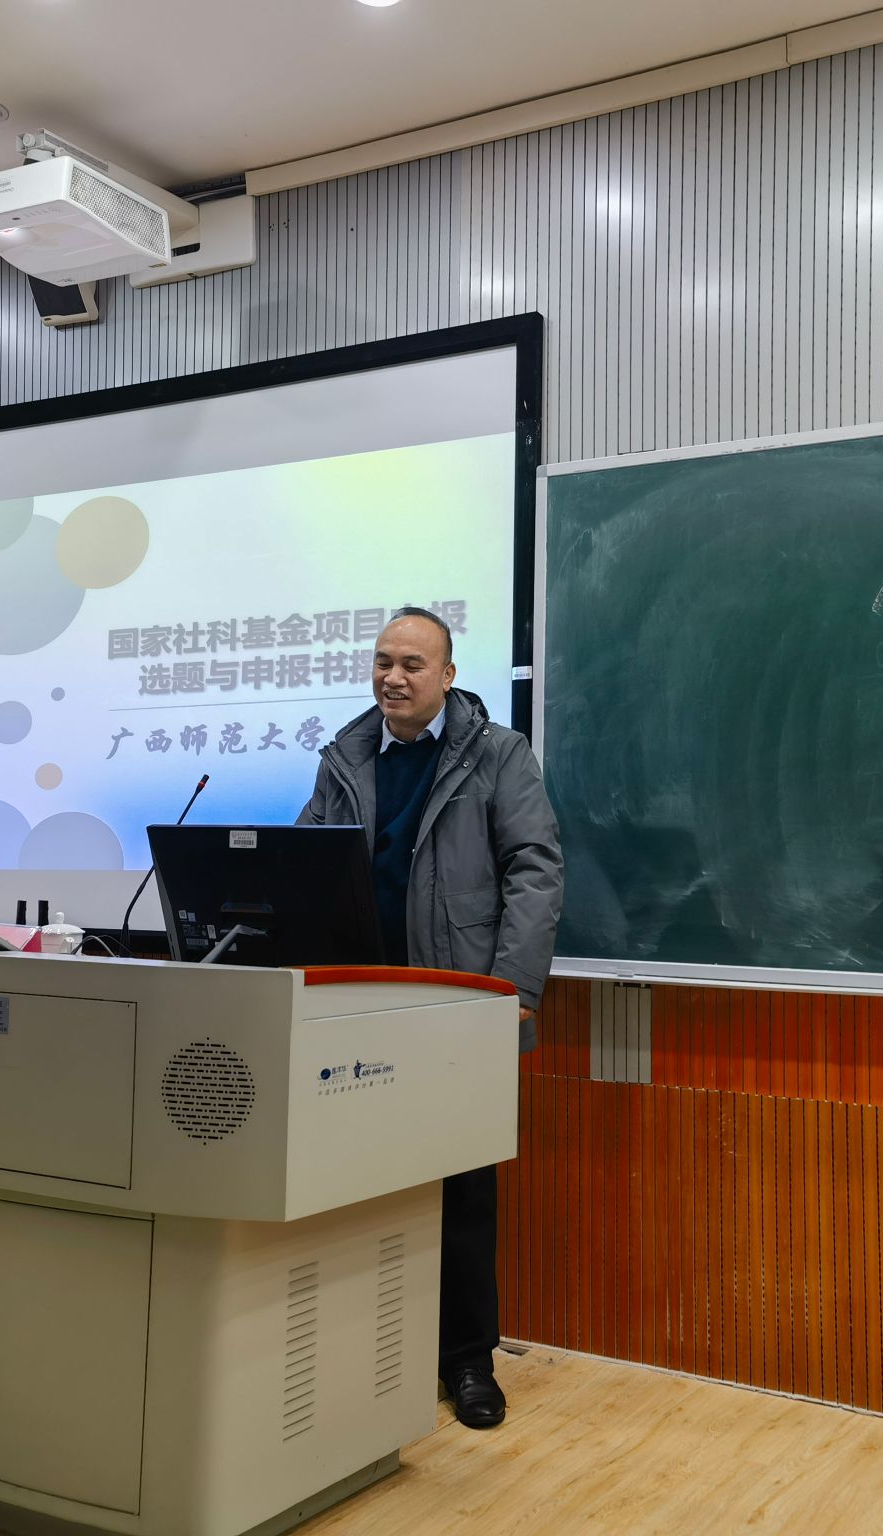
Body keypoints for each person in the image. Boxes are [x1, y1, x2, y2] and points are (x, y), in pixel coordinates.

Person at [297, 606, 562, 1429]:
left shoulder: (496, 753)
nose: (393, 677)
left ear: (447, 676)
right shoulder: (345, 757)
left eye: (412, 664)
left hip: (457, 1003)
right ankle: (369, 1349)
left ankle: (468, 1359)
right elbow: (304, 863)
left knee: (461, 1186)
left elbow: (535, 870)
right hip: (355, 1005)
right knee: (355, 1181)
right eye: (383, 661)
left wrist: (513, 989)